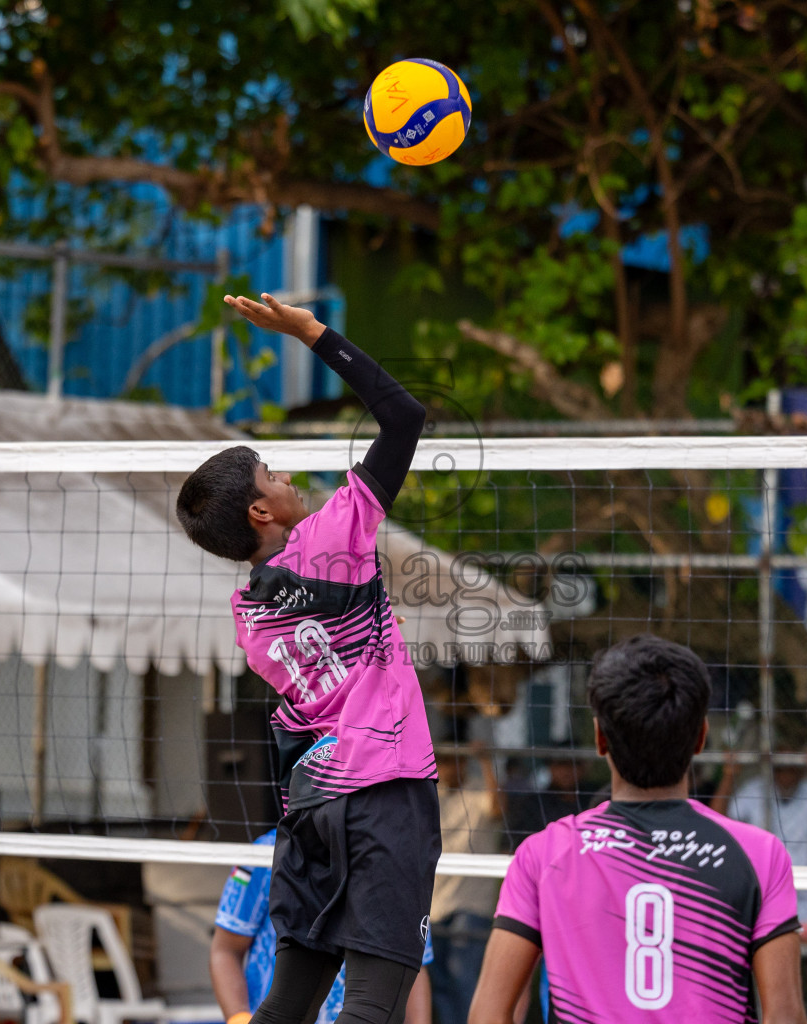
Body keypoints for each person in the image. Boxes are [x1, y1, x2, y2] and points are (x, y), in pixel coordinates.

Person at [176, 293, 436, 1024]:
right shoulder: (338, 531)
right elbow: (404, 417)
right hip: (385, 791)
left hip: (312, 806)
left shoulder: (249, 615)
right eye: (271, 473)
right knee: (372, 1008)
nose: (285, 476)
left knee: (287, 1005)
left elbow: (323, 639)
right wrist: (310, 332)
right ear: (260, 512)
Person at [467, 634, 806, 1024]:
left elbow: (487, 1014)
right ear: (700, 738)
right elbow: (785, 1016)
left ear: (599, 738)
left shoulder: (543, 855)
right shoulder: (759, 853)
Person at [209, 829, 434, 1024]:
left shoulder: (396, 864)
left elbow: (414, 966)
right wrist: (239, 1017)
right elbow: (225, 949)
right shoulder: (266, 853)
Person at [713, 749, 807, 1023]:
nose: (785, 774)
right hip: (768, 902)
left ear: (799, 769)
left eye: (791, 767)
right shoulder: (754, 790)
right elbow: (715, 823)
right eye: (780, 768)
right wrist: (729, 776)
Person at [428, 744, 503, 1024]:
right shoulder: (432, 795)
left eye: (454, 761)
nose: (448, 767)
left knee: (464, 982)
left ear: (463, 763)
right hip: (434, 907)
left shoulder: (479, 791)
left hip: (471, 906)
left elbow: (498, 808)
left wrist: (486, 761)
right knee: (441, 987)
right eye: (443, 761)